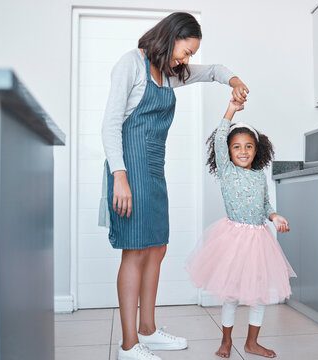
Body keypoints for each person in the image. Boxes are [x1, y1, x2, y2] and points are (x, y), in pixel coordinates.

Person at [99, 12, 249, 360]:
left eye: (190, 56)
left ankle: (148, 331)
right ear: (170, 36)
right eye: (185, 52)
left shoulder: (169, 74)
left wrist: (235, 80)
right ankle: (128, 345)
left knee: (157, 248)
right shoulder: (131, 65)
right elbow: (109, 125)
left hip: (153, 166)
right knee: (134, 250)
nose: (185, 61)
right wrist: (119, 176)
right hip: (129, 166)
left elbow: (214, 71)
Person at [185, 98, 297, 358]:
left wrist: (275, 216)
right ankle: (226, 341)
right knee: (232, 295)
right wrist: (230, 111)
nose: (243, 151)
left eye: (248, 146)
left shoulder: (259, 176)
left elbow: (266, 204)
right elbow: (219, 139)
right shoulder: (227, 171)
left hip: (259, 241)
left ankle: (251, 343)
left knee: (259, 295)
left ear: (257, 150)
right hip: (233, 240)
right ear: (228, 151)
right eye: (236, 147)